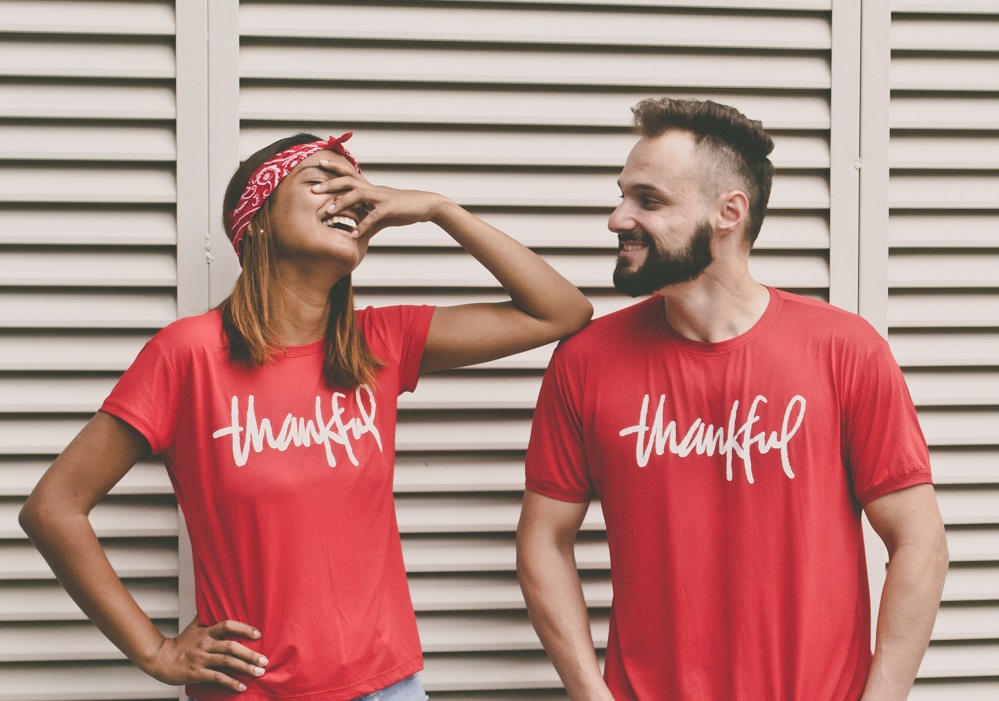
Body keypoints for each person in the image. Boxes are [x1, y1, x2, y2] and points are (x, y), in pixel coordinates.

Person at [19, 132, 592, 701]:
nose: (349, 199)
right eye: (319, 181)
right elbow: (54, 508)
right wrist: (155, 650)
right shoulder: (187, 354)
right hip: (255, 693)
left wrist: (440, 209)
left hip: (390, 684)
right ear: (258, 218)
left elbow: (561, 311)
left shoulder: (379, 343)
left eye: (356, 189)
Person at [516, 98, 949, 701]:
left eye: (649, 200)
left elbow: (920, 541)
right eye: (622, 195)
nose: (618, 218)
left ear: (729, 212)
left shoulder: (844, 350)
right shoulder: (586, 361)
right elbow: (543, 540)